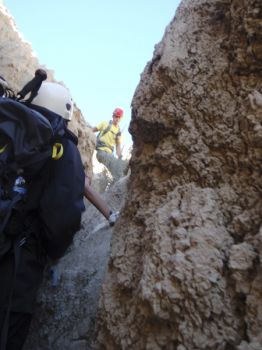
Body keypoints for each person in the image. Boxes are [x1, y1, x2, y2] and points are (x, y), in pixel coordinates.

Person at [0, 77, 117, 349]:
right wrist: (50, 251)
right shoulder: (61, 147)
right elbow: (62, 216)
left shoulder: (10, 133)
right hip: (20, 262)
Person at [92, 108, 129, 182]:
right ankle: (116, 188)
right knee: (117, 172)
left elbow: (118, 146)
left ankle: (112, 186)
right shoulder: (105, 124)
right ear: (113, 116)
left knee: (118, 170)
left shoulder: (118, 132)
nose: (117, 119)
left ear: (121, 118)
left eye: (119, 117)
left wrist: (120, 157)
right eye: (116, 116)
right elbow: (92, 130)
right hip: (101, 152)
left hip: (110, 154)